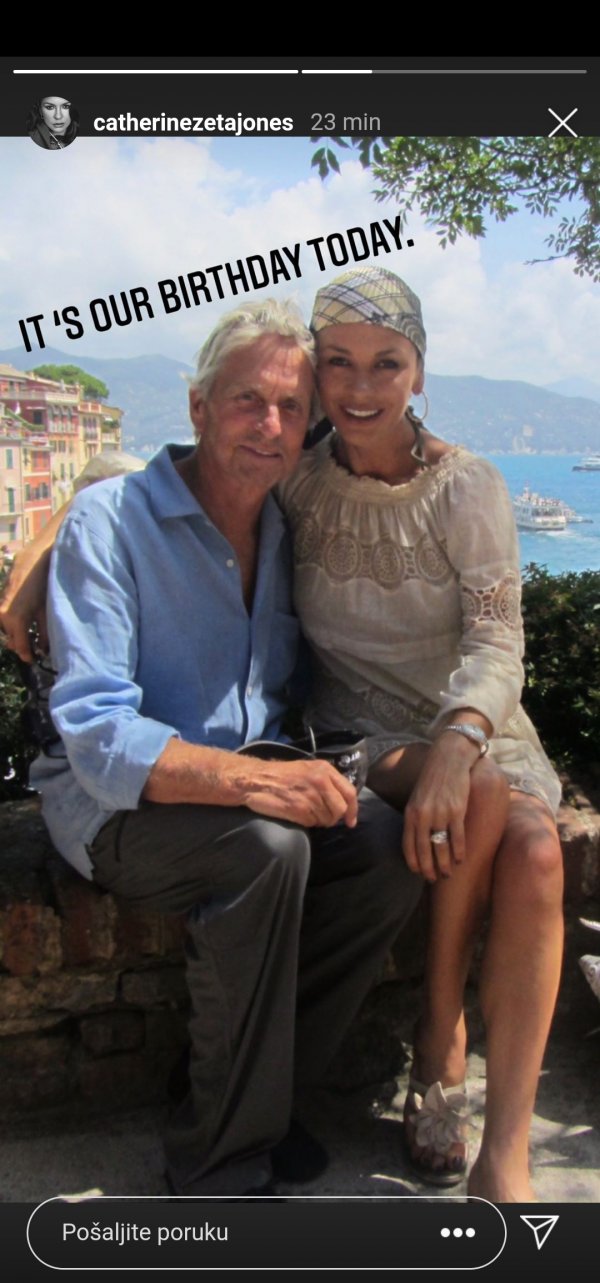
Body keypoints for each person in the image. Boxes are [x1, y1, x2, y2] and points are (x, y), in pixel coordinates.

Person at [19, 301, 422, 1197]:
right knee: (268, 849)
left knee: (386, 847)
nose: (269, 424)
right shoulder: (111, 523)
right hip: (118, 809)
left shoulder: (286, 528)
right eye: (247, 399)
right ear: (198, 407)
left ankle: (253, 1096)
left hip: (239, 794)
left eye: (290, 407)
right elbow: (98, 736)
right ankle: (219, 1164)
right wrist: (252, 784)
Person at [277, 266, 564, 1203]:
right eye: (338, 362)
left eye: (386, 363)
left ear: (420, 369)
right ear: (314, 369)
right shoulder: (296, 477)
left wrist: (460, 735)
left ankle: (506, 1151)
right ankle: (441, 1029)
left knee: (536, 850)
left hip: (475, 730)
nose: (361, 387)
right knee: (481, 798)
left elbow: (498, 639)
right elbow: (173, 479)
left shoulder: (467, 485)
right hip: (357, 734)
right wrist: (48, 542)